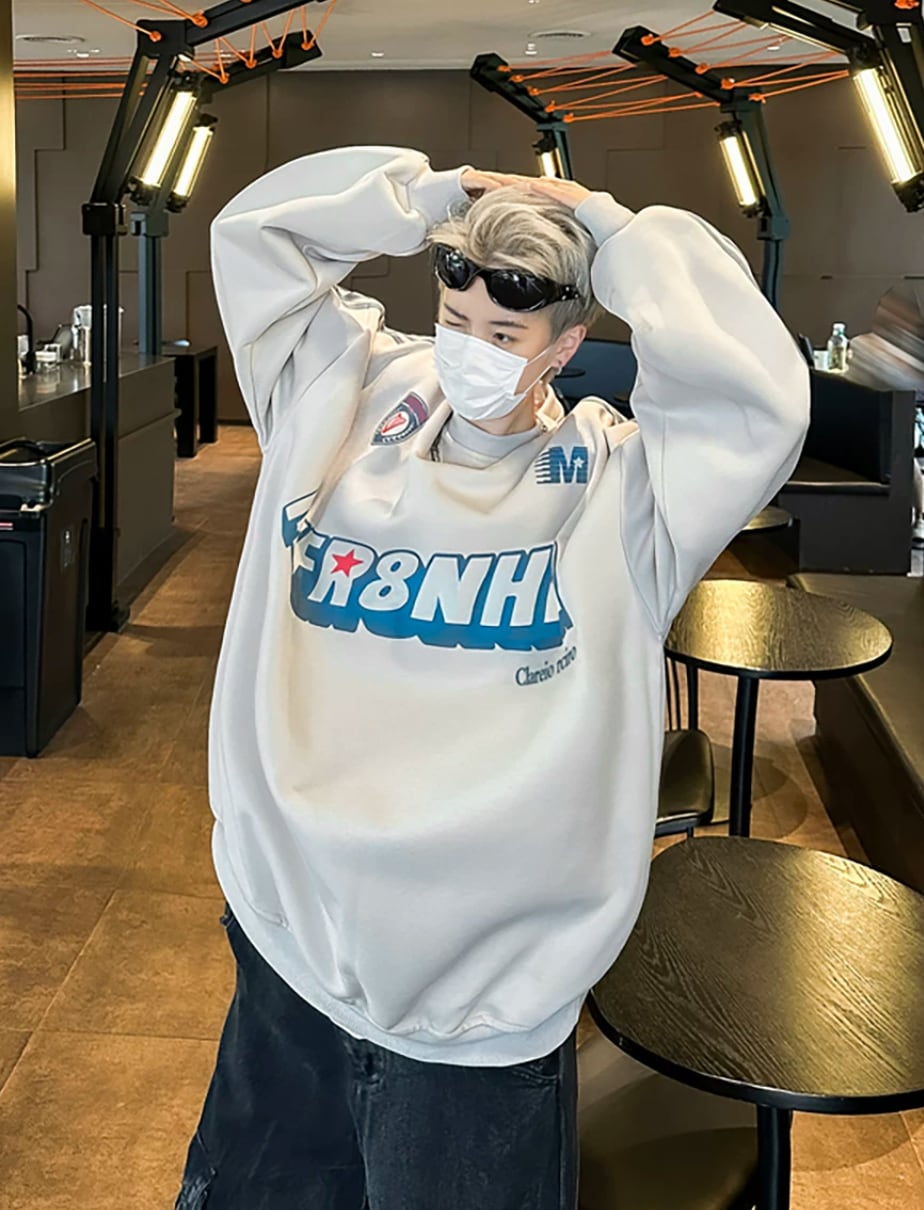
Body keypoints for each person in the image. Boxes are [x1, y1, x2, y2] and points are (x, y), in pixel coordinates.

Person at [174, 146, 810, 1210]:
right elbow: (259, 236)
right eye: (454, 318)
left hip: (479, 1024)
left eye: (504, 335)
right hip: (290, 956)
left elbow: (756, 394)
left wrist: (611, 231)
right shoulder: (342, 402)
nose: (469, 347)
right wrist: (431, 196)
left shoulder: (626, 493)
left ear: (565, 344)